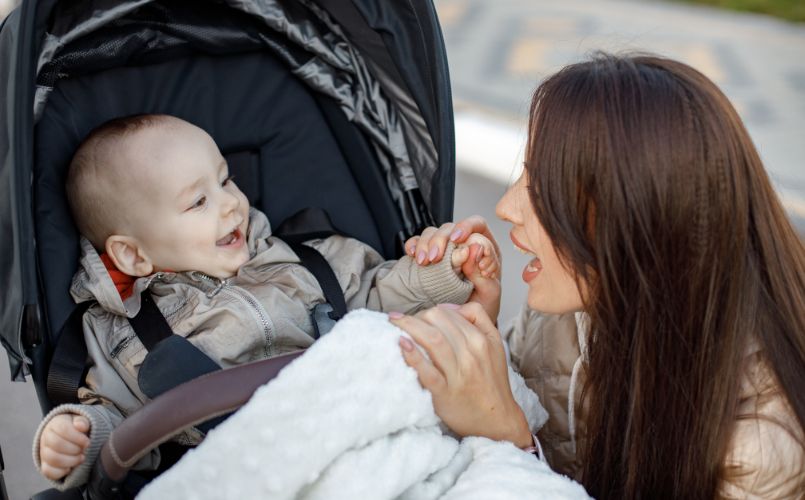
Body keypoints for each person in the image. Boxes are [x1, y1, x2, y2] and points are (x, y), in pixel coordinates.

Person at [391, 53, 805, 499]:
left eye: (542, 189)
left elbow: (506, 428)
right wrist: (481, 329)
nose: (506, 207)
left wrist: (510, 447)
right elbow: (497, 404)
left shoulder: (761, 450)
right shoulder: (569, 316)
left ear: (635, 221)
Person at [33, 114, 501, 490]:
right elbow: (114, 417)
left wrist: (446, 272)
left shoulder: (304, 262)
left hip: (356, 425)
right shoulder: (126, 336)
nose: (231, 204)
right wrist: (80, 434)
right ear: (133, 254)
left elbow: (376, 293)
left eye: (226, 180)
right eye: (198, 202)